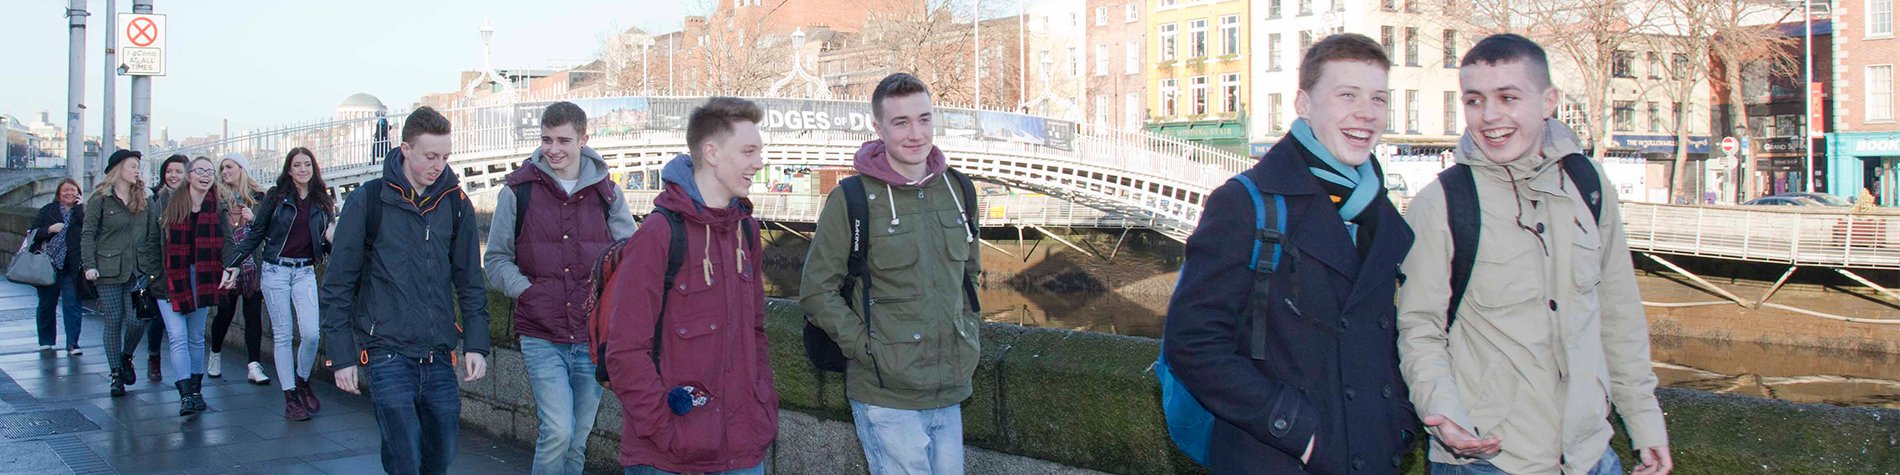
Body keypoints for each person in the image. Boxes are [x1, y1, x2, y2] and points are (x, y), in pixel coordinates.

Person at [1395, 34, 1672, 475]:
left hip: (1590, 456)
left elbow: (1618, 313)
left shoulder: (1589, 185)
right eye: (1474, 100)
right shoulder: (1442, 203)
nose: (1489, 117)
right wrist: (1444, 413)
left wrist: (1645, 422)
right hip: (1488, 458)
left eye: (1508, 97)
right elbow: (1419, 328)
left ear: (1549, 102)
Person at [1161, 34, 1417, 474]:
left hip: (1371, 452)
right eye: (1347, 95)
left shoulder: (1377, 208)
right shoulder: (1248, 202)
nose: (1366, 113)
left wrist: (1399, 423)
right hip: (1278, 456)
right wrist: (1299, 433)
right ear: (1304, 103)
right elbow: (1193, 342)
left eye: (1378, 98)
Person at [800, 73, 982, 474]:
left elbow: (970, 279)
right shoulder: (851, 199)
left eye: (924, 119)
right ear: (878, 127)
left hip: (950, 387)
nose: (915, 133)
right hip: (885, 394)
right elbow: (816, 292)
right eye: (900, 122)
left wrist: (968, 334)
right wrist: (869, 350)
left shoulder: (960, 190)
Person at [598, 97, 775, 475]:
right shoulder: (659, 234)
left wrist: (762, 410)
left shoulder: (746, 230)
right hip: (669, 458)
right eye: (748, 151)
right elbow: (624, 352)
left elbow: (755, 333)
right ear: (711, 153)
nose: (759, 163)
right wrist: (668, 430)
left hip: (743, 451)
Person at [321, 106, 491, 475]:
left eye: (445, 157)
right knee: (404, 457)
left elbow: (469, 280)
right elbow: (337, 285)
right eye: (431, 156)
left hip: (439, 353)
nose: (439, 165)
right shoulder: (367, 201)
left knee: (441, 456)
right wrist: (342, 355)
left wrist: (477, 343)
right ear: (405, 149)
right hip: (386, 353)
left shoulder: (456, 204)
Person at [485, 101, 637, 474]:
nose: (553, 149)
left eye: (563, 140)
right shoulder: (517, 192)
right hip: (541, 332)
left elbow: (632, 257)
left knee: (579, 436)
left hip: (591, 335)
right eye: (546, 139)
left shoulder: (608, 194)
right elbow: (496, 260)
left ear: (584, 139)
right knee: (557, 430)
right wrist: (527, 292)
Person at [225, 147, 336, 421]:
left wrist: (336, 240)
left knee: (311, 334)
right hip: (276, 270)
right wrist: (233, 263)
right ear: (289, 169)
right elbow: (256, 233)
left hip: (305, 271)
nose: (302, 169)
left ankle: (302, 380)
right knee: (284, 335)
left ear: (313, 168)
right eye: (297, 165)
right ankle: (290, 398)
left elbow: (326, 237)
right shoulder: (276, 198)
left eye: (307, 165)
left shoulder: (323, 200)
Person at [149, 156, 229, 416]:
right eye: (199, 171)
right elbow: (151, 241)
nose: (205, 175)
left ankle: (196, 391)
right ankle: (185, 395)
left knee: (196, 338)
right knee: (178, 336)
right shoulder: (168, 201)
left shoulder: (217, 205)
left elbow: (228, 242)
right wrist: (153, 276)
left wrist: (232, 266)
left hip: (204, 278)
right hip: (170, 278)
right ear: (189, 176)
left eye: (209, 171)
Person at [82, 149, 162, 397]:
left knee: (138, 320)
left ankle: (126, 355)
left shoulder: (145, 200)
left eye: (138, 165)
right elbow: (88, 235)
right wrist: (89, 265)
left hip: (137, 270)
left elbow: (152, 235)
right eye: (131, 165)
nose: (136, 170)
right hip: (107, 271)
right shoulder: (100, 200)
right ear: (117, 169)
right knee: (113, 320)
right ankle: (116, 373)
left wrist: (149, 267)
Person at [209, 152, 271, 385]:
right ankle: (215, 355)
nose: (225, 172)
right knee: (224, 313)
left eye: (230, 167)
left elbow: (270, 230)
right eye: (222, 168)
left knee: (252, 314)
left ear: (242, 169)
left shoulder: (260, 197)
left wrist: (253, 218)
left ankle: (254, 365)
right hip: (228, 263)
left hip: (253, 264)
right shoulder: (217, 199)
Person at [29, 179, 85, 355]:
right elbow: (32, 234)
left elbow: (90, 232)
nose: (69, 193)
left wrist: (80, 209)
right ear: (58, 194)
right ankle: (46, 340)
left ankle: (72, 344)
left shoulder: (82, 212)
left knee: (73, 305)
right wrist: (49, 229)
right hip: (48, 264)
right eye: (65, 190)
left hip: (71, 266)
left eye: (73, 190)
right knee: (46, 304)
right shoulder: (48, 210)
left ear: (78, 193)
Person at [145, 154, 188, 382]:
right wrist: (153, 275)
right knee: (160, 321)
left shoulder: (194, 200)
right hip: (162, 271)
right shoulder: (156, 201)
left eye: (178, 172)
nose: (173, 176)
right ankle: (154, 357)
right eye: (169, 172)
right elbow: (150, 240)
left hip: (185, 270)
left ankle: (189, 376)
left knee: (186, 332)